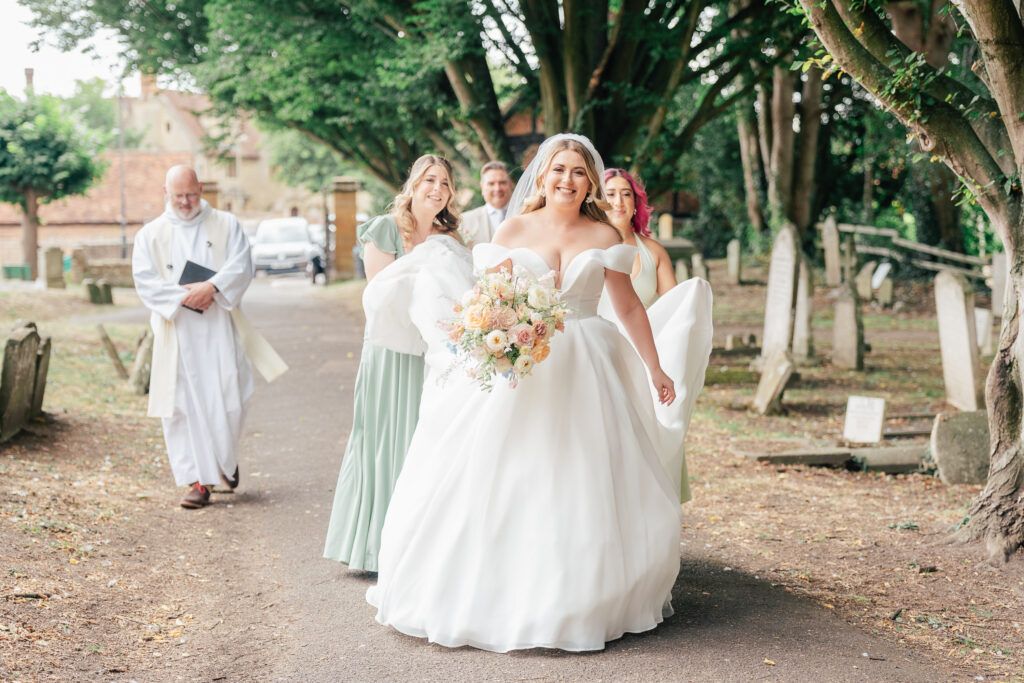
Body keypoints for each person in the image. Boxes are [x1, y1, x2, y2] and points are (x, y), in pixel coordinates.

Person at [365, 134, 713, 652]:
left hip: (589, 365)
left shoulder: (601, 235)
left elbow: (630, 308)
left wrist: (656, 369)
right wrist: (497, 341)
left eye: (578, 172)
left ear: (589, 182)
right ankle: (500, 590)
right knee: (513, 471)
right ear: (543, 176)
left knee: (582, 474)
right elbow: (489, 302)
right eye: (558, 170)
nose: (567, 180)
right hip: (523, 364)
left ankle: (585, 597)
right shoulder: (512, 229)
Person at [323, 154, 461, 572]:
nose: (437, 189)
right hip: (389, 348)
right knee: (382, 437)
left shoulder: (450, 238)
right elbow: (379, 296)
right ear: (414, 184)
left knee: (422, 438)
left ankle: (417, 544)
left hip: (431, 352)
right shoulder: (385, 229)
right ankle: (373, 546)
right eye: (429, 180)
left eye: (445, 183)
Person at [132, 165, 288, 509]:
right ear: (165, 193)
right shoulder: (150, 234)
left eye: (191, 193)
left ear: (201, 188)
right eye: (178, 196)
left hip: (219, 328)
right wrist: (183, 298)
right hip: (177, 334)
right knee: (182, 408)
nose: (185, 202)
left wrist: (213, 287)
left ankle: (224, 462)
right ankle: (199, 482)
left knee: (231, 399)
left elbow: (241, 265)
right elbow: (144, 279)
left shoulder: (226, 224)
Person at [604, 168, 677, 307]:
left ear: (635, 203)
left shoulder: (655, 252)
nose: (619, 202)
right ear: (598, 202)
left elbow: (675, 308)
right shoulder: (583, 246)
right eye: (611, 194)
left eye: (626, 194)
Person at [459, 160, 512, 246]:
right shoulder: (465, 221)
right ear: (482, 187)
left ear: (510, 184)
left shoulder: (526, 212)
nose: (497, 188)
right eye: (491, 184)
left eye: (502, 182)